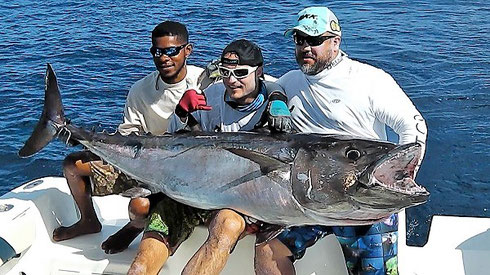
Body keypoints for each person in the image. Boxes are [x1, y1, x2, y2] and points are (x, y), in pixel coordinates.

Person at [255, 7, 427, 275]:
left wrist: (397, 181)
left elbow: (413, 126)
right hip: (309, 201)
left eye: (314, 40)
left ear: (336, 41)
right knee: (268, 249)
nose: (305, 48)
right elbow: (269, 85)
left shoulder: (369, 80)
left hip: (362, 205)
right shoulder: (289, 82)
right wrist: (276, 97)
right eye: (299, 40)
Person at [128, 38, 292, 275]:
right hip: (192, 189)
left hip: (236, 200)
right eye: (225, 72)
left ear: (260, 72)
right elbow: (176, 140)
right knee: (141, 264)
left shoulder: (276, 96)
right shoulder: (211, 95)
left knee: (228, 225)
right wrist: (182, 113)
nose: (231, 80)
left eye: (241, 73)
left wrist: (279, 100)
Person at [53, 21, 203, 253]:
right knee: (73, 165)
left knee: (139, 208)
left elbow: (254, 82)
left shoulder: (206, 82)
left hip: (188, 171)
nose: (164, 57)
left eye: (172, 51)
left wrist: (275, 99)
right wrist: (84, 140)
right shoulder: (140, 90)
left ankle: (134, 227)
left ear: (188, 50)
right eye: (157, 51)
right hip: (144, 164)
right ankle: (88, 221)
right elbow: (127, 136)